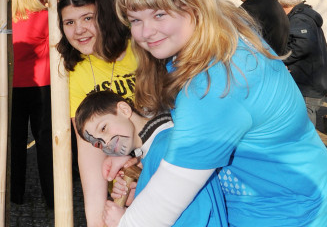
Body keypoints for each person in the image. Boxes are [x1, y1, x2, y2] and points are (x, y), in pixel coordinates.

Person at [106, 0, 327, 227]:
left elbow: (171, 192)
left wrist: (127, 222)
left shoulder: (217, 83)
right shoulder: (219, 39)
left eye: (159, 14)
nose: (145, 32)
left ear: (194, 7)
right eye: (135, 19)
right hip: (285, 195)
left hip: (282, 212)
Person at [74, 88, 226, 227]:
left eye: (104, 128)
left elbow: (195, 215)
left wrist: (126, 220)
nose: (106, 142)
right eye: (98, 144)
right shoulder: (154, 147)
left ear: (124, 109)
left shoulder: (165, 147)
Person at [55, 0, 137, 227]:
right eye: (69, 22)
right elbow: (89, 153)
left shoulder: (142, 48)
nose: (78, 30)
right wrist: (95, 221)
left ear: (105, 14)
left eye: (87, 18)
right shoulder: (73, 70)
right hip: (122, 188)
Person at [9, 0, 54, 208]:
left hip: (13, 88)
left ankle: (15, 194)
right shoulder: (45, 17)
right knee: (45, 143)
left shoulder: (5, 21)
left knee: (16, 143)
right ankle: (52, 196)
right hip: (41, 86)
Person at [276, 0, 327, 125]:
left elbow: (302, 45)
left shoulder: (299, 19)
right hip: (312, 81)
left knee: (304, 128)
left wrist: (281, 60)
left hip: (306, 83)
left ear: (284, 5)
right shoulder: (308, 17)